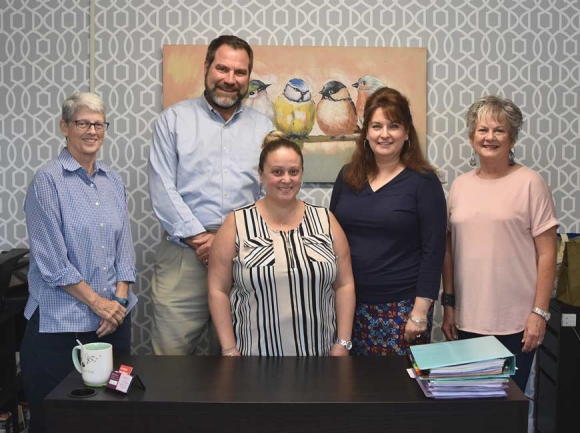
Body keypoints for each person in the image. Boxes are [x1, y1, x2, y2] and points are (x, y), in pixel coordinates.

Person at [148, 35, 275, 355]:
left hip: (245, 255)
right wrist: (201, 239)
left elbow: (269, 191)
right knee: (171, 362)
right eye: (222, 69)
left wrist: (230, 241)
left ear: (249, 76)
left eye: (240, 72)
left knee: (240, 360)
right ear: (206, 67)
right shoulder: (173, 121)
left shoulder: (264, 127)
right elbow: (162, 187)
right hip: (184, 257)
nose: (230, 80)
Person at [20, 92, 137, 433]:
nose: (91, 131)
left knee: (112, 417)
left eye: (98, 124)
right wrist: (100, 304)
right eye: (82, 122)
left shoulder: (112, 180)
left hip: (114, 323)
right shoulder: (48, 180)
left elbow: (125, 249)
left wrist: (118, 302)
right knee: (58, 421)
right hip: (60, 326)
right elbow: (52, 262)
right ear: (64, 127)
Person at [441, 95, 558, 392]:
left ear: (512, 136)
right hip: (467, 320)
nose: (489, 137)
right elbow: (449, 250)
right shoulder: (459, 186)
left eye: (499, 130)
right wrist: (450, 306)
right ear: (471, 136)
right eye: (482, 130)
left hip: (517, 324)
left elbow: (547, 253)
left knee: (508, 410)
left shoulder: (531, 183)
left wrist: (539, 313)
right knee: (471, 408)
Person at [208, 131, 355, 356]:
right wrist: (228, 349)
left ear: (302, 173)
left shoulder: (326, 220)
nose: (286, 179)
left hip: (320, 358)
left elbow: (344, 285)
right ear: (261, 175)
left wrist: (342, 343)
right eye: (277, 172)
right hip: (255, 360)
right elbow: (218, 290)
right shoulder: (236, 223)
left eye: (293, 172)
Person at [330, 87, 447, 356]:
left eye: (393, 126)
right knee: (348, 390)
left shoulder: (423, 181)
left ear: (406, 133)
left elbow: (434, 250)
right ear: (366, 133)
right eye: (376, 126)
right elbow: (332, 236)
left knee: (397, 393)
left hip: (401, 310)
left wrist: (420, 312)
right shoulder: (347, 177)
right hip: (347, 306)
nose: (384, 134)